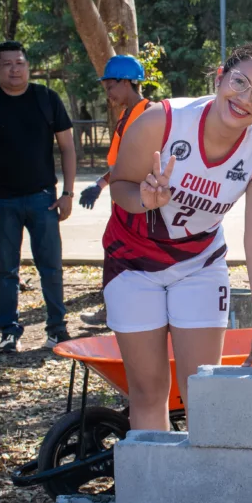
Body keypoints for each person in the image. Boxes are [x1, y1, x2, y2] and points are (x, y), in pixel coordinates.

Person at [103, 43, 252, 430]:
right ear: (220, 76)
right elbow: (120, 185)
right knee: (149, 392)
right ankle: (156, 485)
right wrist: (144, 199)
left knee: (202, 392)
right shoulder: (162, 120)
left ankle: (206, 487)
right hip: (132, 262)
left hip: (199, 265)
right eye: (238, 82)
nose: (244, 99)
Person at [0, 41, 76, 352]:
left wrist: (67, 193)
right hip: (0, 202)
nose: (14, 69)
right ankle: (9, 331)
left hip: (43, 199)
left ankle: (57, 328)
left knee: (51, 266)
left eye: (19, 63)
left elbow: (67, 148)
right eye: (6, 64)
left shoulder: (46, 98)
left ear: (28, 66)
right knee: (6, 269)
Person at [77, 55, 151, 327]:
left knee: (119, 252)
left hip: (138, 202)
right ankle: (116, 310)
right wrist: (101, 184)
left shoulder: (148, 112)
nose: (107, 93)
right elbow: (121, 162)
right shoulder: (126, 115)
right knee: (118, 252)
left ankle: (116, 312)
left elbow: (141, 161)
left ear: (126, 82)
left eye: (110, 86)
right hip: (124, 199)